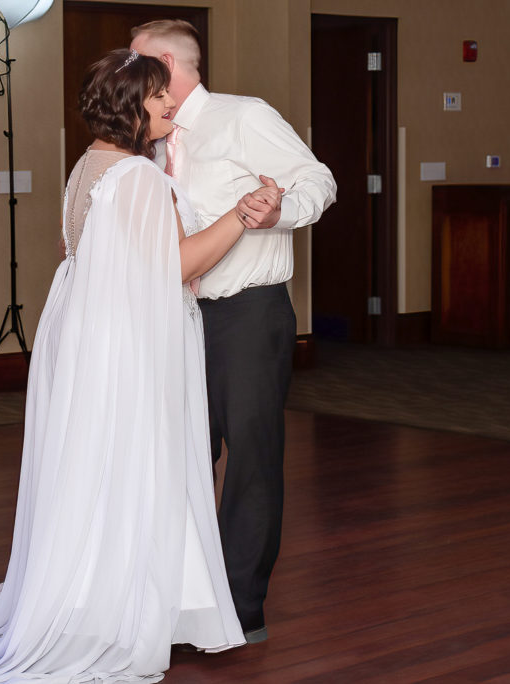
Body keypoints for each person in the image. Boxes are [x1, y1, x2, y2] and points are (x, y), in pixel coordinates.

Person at [0, 49, 282, 682]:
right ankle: (128, 608)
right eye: (157, 95)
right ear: (130, 105)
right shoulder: (140, 177)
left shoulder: (89, 166)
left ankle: (94, 597)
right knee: (136, 465)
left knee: (95, 465)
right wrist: (241, 212)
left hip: (89, 336)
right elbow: (174, 267)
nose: (170, 103)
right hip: (127, 344)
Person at [131, 20, 338, 643]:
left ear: (167, 62)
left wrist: (279, 212)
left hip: (248, 314)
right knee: (180, 454)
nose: (125, 72)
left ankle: (241, 608)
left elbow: (318, 179)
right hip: (178, 317)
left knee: (249, 459)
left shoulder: (244, 116)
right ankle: (181, 599)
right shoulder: (149, 135)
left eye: (134, 61)